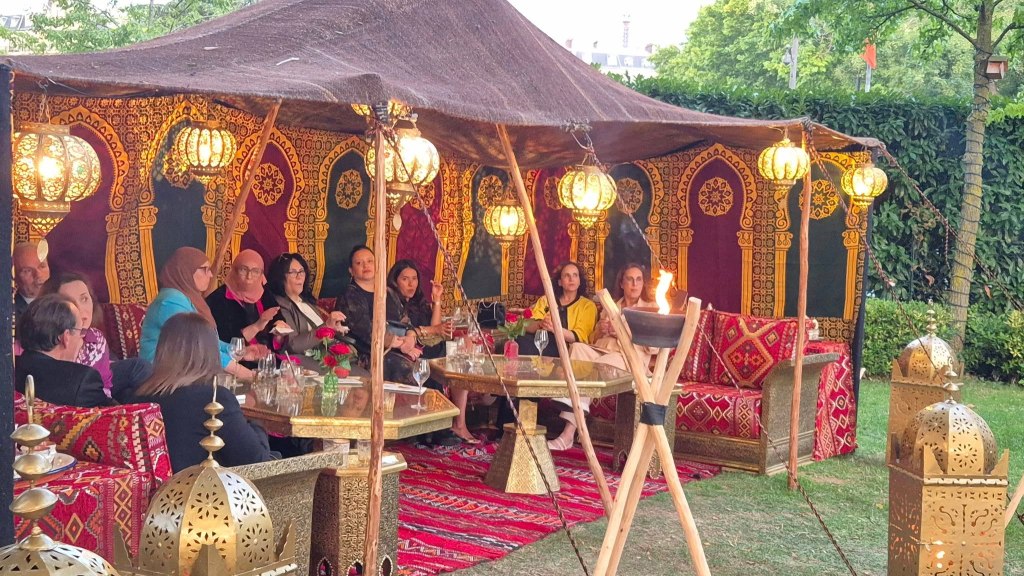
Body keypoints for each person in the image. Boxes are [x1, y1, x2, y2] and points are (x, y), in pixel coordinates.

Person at [131, 313, 275, 471]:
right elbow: (257, 462)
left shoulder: (136, 395)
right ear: (211, 352)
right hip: (203, 485)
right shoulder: (215, 398)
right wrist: (255, 413)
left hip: (160, 485)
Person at [548, 263, 656, 451]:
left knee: (597, 366)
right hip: (603, 350)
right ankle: (570, 395)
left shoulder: (651, 309)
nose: (634, 284)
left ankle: (568, 433)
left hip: (627, 358)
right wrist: (601, 329)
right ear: (622, 283)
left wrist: (622, 332)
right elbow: (594, 339)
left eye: (638, 279)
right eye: (630, 279)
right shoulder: (611, 305)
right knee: (577, 348)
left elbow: (653, 346)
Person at [387, 260, 476, 443]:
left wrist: (436, 301)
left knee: (461, 358)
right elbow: (403, 331)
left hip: (430, 346)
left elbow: (436, 329)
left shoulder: (418, 303)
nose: (411, 284)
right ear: (395, 281)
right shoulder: (392, 301)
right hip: (410, 349)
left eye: (414, 279)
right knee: (435, 365)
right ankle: (439, 429)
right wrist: (432, 330)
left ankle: (459, 424)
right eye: (405, 279)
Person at [140, 247, 259, 379]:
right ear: (186, 271)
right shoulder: (171, 301)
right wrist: (245, 374)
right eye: (205, 269)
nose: (211, 275)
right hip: (163, 377)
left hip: (183, 374)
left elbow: (207, 341)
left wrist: (237, 352)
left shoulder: (188, 298)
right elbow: (197, 347)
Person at [42, 272, 153, 402]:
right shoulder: (45, 340)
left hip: (96, 397)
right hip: (64, 401)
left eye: (84, 299)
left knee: (132, 384)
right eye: (70, 302)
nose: (80, 309)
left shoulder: (96, 338)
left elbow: (105, 388)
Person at [337, 246, 421, 381]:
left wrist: (410, 338)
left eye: (370, 261)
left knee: (426, 366)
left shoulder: (389, 292)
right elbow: (365, 331)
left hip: (397, 349)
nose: (366, 266)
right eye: (359, 263)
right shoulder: (350, 296)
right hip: (367, 353)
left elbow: (405, 321)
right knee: (406, 369)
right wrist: (398, 344)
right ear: (351, 271)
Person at [15, 293, 111, 408]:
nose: (82, 338)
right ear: (66, 337)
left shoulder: (9, 371)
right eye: (81, 331)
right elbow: (112, 415)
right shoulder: (83, 381)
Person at [265, 252, 345, 371]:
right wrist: (326, 328)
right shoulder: (279, 305)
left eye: (301, 271)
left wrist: (335, 329)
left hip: (325, 356)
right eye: (293, 272)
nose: (299, 277)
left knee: (363, 372)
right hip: (301, 362)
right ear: (280, 277)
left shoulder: (307, 302)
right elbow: (293, 345)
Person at [205, 249, 280, 352]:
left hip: (267, 356)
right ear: (234, 271)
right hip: (236, 359)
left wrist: (279, 334)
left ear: (261, 275)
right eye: (243, 270)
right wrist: (257, 326)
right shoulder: (217, 300)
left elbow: (277, 322)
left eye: (255, 271)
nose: (249, 276)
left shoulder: (265, 294)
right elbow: (226, 343)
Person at [520, 261, 598, 353]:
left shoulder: (587, 306)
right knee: (518, 340)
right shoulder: (546, 300)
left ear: (579, 281)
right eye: (567, 275)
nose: (571, 279)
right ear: (560, 282)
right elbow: (527, 324)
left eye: (575, 275)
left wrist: (554, 328)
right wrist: (541, 324)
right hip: (540, 341)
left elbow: (580, 337)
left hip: (565, 348)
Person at [13, 241, 51, 324]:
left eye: (42, 266)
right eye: (27, 271)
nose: (38, 275)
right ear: (14, 276)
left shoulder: (63, 303)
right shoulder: (11, 312)